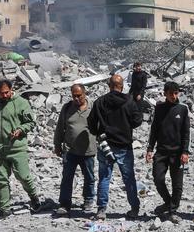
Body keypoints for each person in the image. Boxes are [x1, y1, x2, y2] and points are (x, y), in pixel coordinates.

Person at [0, 80, 42, 217]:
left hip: (17, 148)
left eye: (7, 92)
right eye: (1, 93)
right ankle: (5, 209)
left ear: (11, 89)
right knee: (1, 179)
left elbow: (31, 122)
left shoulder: (21, 102)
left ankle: (34, 198)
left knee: (23, 176)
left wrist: (21, 129)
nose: (5, 95)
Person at [87, 74, 143, 220]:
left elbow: (91, 122)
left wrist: (98, 133)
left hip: (105, 146)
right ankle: (134, 208)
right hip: (124, 146)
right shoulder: (129, 101)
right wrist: (126, 126)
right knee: (129, 178)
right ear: (122, 86)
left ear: (109, 86)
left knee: (104, 178)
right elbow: (137, 120)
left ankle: (101, 210)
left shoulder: (100, 102)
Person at [145, 82, 190, 224]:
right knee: (158, 179)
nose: (173, 96)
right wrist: (150, 148)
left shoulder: (183, 110)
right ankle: (168, 202)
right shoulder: (159, 108)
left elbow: (186, 133)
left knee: (177, 186)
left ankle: (173, 210)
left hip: (177, 154)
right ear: (165, 93)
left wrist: (185, 151)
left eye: (176, 93)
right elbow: (154, 130)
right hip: (162, 152)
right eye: (171, 93)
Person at [53, 84, 96, 216]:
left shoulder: (93, 107)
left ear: (85, 94)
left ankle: (88, 200)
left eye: (79, 96)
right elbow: (60, 127)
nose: (76, 98)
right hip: (70, 150)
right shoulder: (67, 108)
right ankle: (65, 204)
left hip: (87, 150)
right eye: (74, 96)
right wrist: (57, 145)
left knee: (89, 177)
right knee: (67, 177)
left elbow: (101, 126)